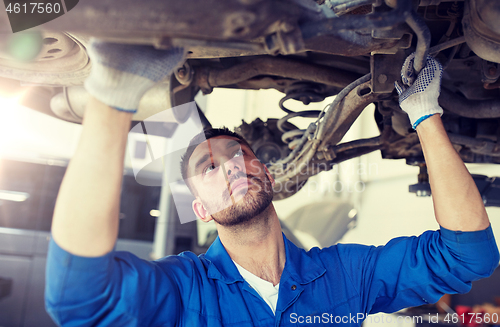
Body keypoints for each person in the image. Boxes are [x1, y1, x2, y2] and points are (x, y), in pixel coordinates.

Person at [45, 40, 499, 326]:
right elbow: (79, 301)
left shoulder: (345, 276)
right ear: (198, 209)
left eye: (239, 155)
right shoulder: (186, 291)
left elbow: (469, 256)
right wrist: (114, 93)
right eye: (208, 167)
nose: (229, 167)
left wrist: (424, 114)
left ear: (266, 172)